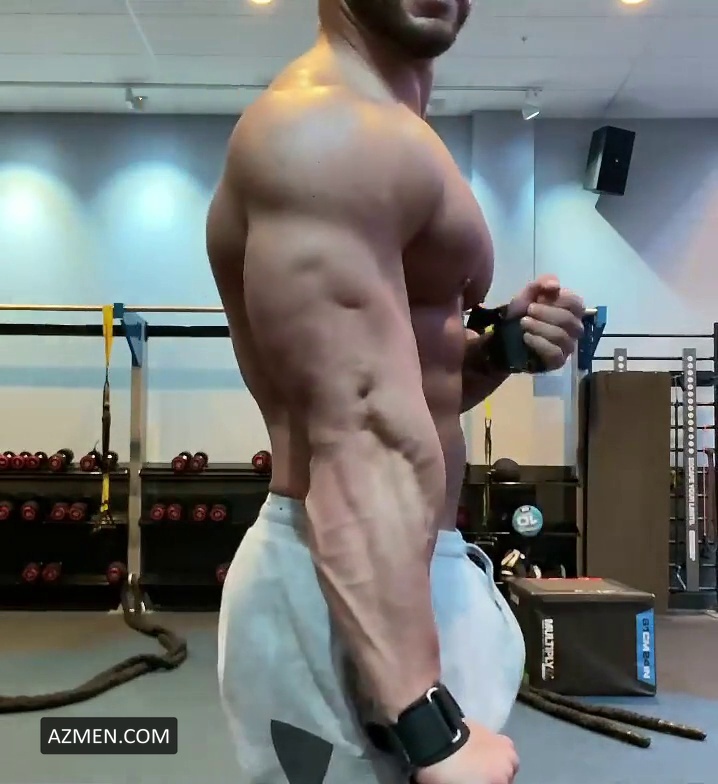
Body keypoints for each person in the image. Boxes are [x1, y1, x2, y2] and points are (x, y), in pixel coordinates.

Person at [207, 1, 585, 783]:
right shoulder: (321, 130)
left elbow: (403, 383)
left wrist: (499, 349)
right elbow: (360, 426)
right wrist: (427, 723)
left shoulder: (388, 131)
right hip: (343, 579)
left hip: (394, 566)